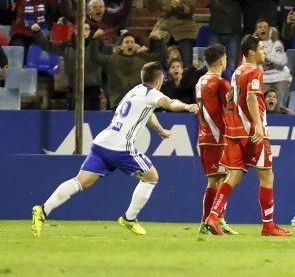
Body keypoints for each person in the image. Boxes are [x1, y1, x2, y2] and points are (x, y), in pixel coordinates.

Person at [31, 62, 199, 237]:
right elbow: (171, 104)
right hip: (120, 148)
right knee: (151, 177)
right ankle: (129, 218)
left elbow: (148, 112)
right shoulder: (152, 93)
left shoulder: (134, 91)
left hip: (102, 143)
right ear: (158, 80)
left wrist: (160, 130)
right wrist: (188, 106)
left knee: (81, 181)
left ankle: (43, 210)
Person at [203, 36, 292, 237]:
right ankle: (268, 225)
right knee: (267, 175)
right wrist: (258, 126)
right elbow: (252, 97)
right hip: (252, 131)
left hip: (234, 131)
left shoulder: (237, 72)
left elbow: (229, 99)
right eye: (261, 48)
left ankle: (213, 216)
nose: (264, 52)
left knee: (233, 175)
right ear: (251, 52)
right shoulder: (253, 71)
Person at [194, 44, 237, 235]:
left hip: (204, 136)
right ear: (222, 60)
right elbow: (231, 109)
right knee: (220, 180)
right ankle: (209, 221)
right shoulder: (221, 83)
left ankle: (218, 219)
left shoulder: (200, 81)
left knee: (217, 179)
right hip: (218, 137)